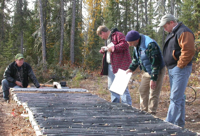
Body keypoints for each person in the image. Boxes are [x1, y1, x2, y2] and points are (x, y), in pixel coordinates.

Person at [158, 14, 195, 128]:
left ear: (171, 22)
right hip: (173, 69)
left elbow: (188, 51)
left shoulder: (183, 31)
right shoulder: (173, 33)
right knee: (179, 97)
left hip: (180, 69)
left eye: (165, 26)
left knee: (175, 98)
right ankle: (179, 124)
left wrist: (179, 66)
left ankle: (168, 124)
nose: (164, 29)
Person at [126, 30, 166, 115]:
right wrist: (130, 69)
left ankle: (152, 113)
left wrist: (154, 79)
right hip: (147, 70)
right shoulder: (136, 45)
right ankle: (143, 111)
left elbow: (156, 63)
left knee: (153, 92)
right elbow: (135, 59)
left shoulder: (150, 45)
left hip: (157, 70)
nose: (129, 44)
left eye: (130, 43)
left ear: (136, 40)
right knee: (142, 90)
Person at [96, 25, 132, 105]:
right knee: (112, 87)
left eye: (101, 35)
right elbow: (110, 50)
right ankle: (115, 105)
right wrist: (104, 50)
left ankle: (127, 107)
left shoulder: (118, 35)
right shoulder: (108, 39)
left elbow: (125, 44)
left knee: (122, 88)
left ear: (103, 32)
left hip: (121, 65)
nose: (102, 37)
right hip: (111, 65)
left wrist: (113, 48)